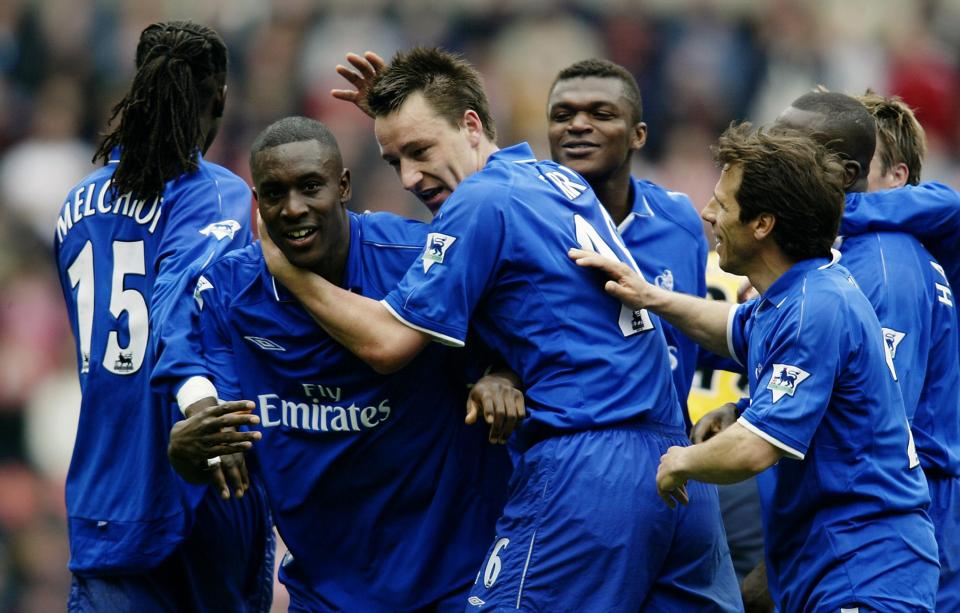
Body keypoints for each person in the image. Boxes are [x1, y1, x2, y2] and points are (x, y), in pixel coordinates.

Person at [263, 47, 741, 611]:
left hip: (587, 469)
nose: (411, 177)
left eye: (420, 151)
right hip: (676, 467)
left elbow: (386, 343)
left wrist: (287, 270)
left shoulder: (480, 200)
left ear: (470, 125)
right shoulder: (556, 181)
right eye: (395, 162)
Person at [571, 122, 940, 612]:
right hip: (831, 561)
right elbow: (728, 327)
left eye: (722, 206)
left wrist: (678, 462)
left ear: (762, 224)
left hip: (867, 567)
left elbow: (752, 452)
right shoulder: (794, 294)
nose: (706, 213)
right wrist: (649, 296)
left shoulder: (814, 309)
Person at [164, 116, 509, 612]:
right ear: (257, 202)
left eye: (310, 187)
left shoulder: (415, 258)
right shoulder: (228, 292)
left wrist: (502, 375)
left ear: (343, 186)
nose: (294, 208)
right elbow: (223, 450)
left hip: (454, 583)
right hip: (324, 592)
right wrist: (190, 453)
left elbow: (514, 339)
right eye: (275, 193)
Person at [54, 21, 272, 612]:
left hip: (103, 493)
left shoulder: (76, 204)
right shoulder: (216, 193)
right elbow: (176, 304)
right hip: (201, 487)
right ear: (220, 99)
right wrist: (201, 403)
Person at [547, 58, 763, 583]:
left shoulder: (681, 222)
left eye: (600, 113)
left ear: (639, 134)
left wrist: (739, 400)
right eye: (563, 115)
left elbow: (695, 334)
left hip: (679, 464)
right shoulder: (524, 218)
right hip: (575, 470)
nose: (578, 125)